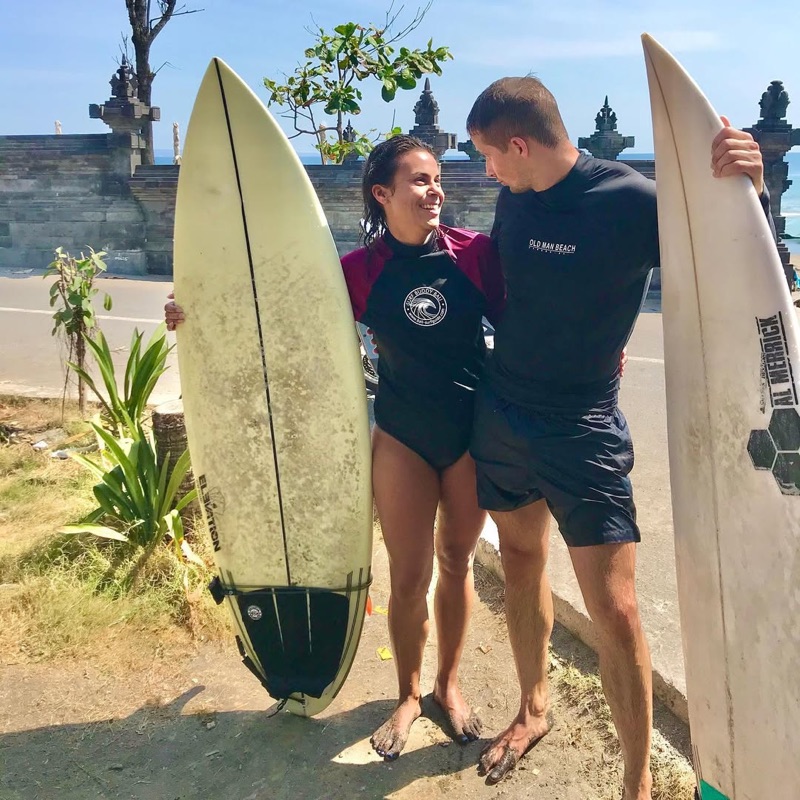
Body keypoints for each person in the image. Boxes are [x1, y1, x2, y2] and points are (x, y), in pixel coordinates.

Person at [463, 77, 768, 799]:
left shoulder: (630, 200)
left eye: (490, 157)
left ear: (519, 143)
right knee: (520, 560)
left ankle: (636, 785)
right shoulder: (517, 197)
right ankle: (532, 708)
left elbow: (728, 257)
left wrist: (747, 184)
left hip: (583, 425)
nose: (487, 174)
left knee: (617, 607)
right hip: (504, 411)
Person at [166, 134, 505, 760]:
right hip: (402, 434)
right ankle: (407, 695)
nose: (436, 192)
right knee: (408, 574)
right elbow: (276, 319)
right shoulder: (356, 272)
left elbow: (534, 313)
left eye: (438, 181)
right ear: (383, 193)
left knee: (457, 562)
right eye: (420, 181)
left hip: (469, 432)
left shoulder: (475, 255)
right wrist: (196, 313)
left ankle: (448, 686)